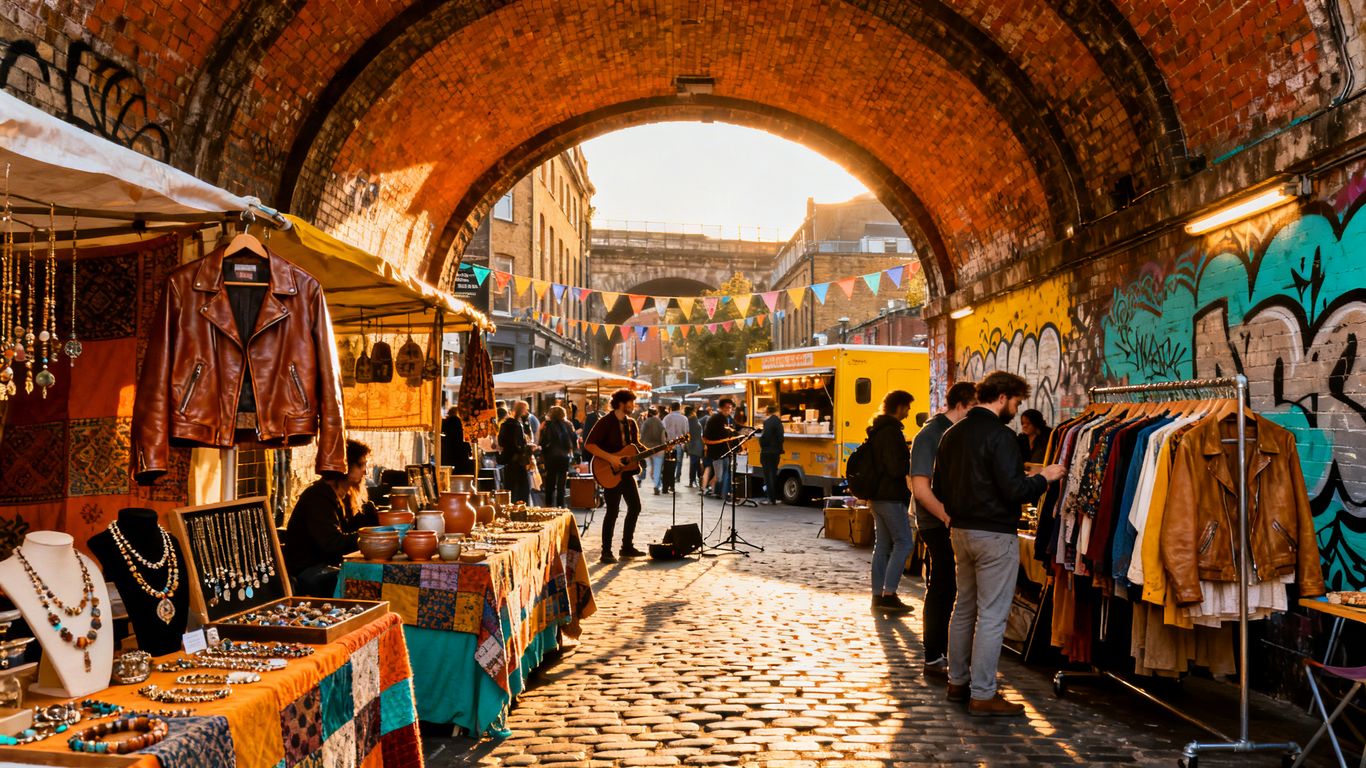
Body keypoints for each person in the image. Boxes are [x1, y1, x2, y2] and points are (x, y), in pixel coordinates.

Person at [933, 371, 1066, 716]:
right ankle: (982, 692)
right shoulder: (1001, 436)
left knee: (964, 608)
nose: (1016, 409)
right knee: (991, 616)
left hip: (960, 532)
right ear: (1004, 397)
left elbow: (940, 488)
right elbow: (1015, 491)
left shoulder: (952, 434)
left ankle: (957, 681)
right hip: (994, 534)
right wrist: (1044, 477)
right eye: (1017, 402)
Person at [909, 381, 978, 675]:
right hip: (936, 524)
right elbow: (920, 488)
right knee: (942, 586)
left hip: (951, 522)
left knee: (950, 587)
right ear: (962, 405)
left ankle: (946, 652)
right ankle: (933, 654)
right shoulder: (931, 434)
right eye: (976, 407)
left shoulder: (956, 433)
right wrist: (947, 517)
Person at [285, 439, 380, 597]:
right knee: (366, 583)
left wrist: (371, 518)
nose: (365, 471)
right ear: (344, 466)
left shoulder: (344, 494)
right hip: (308, 571)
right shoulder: (318, 497)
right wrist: (369, 537)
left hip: (327, 565)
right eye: (360, 465)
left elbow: (349, 529)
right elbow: (332, 544)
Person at [865, 390, 917, 615]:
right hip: (890, 496)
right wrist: (909, 458)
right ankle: (889, 594)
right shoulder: (892, 432)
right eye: (907, 407)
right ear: (898, 407)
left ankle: (878, 595)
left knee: (883, 545)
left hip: (876, 495)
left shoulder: (876, 429)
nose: (908, 412)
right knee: (904, 542)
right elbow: (895, 468)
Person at [584, 389, 647, 563]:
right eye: (631, 402)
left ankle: (627, 547)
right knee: (612, 511)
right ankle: (606, 552)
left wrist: (653, 451)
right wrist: (611, 458)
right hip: (609, 473)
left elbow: (634, 445)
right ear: (622, 403)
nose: (634, 406)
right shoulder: (606, 422)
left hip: (627, 473)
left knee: (635, 507)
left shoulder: (631, 423)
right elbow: (589, 445)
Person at [538, 405, 576, 507]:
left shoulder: (546, 425)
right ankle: (561, 506)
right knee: (561, 483)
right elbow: (574, 440)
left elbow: (542, 442)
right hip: (565, 456)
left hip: (551, 457)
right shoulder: (568, 424)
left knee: (550, 482)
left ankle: (549, 505)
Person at [703, 399, 739, 499]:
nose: (730, 409)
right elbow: (706, 437)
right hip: (717, 452)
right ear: (721, 408)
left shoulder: (728, 419)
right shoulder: (715, 419)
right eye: (727, 407)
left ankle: (722, 493)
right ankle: (711, 488)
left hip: (726, 451)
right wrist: (721, 440)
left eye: (731, 407)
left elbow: (735, 428)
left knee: (725, 474)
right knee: (720, 476)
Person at [499, 402, 535, 503]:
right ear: (523, 411)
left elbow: (501, 442)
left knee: (510, 485)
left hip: (508, 459)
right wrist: (526, 448)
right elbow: (518, 444)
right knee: (523, 486)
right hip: (518, 459)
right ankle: (521, 506)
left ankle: (510, 505)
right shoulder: (518, 425)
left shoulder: (505, 424)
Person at [758, 404, 785, 505]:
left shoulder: (768, 422)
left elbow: (764, 437)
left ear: (768, 412)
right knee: (773, 474)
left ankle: (770, 498)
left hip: (767, 452)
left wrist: (761, 443)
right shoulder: (778, 422)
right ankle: (773, 497)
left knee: (767, 475)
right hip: (776, 452)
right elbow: (781, 438)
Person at [662, 402, 689, 493]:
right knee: (676, 465)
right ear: (679, 408)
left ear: (671, 408)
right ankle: (672, 485)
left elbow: (663, 431)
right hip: (679, 445)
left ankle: (665, 487)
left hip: (669, 445)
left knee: (667, 466)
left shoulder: (666, 418)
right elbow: (686, 432)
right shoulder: (684, 418)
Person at [441, 406, 475, 475]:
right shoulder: (464, 441)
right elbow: (468, 451)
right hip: (461, 465)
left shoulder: (444, 426)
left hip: (446, 464)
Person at [639, 405, 666, 492]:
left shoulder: (646, 423)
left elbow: (642, 436)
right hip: (658, 448)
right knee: (657, 468)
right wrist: (664, 446)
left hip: (647, 448)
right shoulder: (660, 422)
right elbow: (663, 435)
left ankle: (653, 482)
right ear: (657, 413)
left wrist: (641, 447)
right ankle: (656, 485)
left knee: (649, 466)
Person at [685, 405, 705, 487]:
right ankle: (695, 480)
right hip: (696, 444)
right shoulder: (693, 420)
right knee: (695, 463)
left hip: (693, 444)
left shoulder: (690, 420)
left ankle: (695, 480)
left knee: (695, 463)